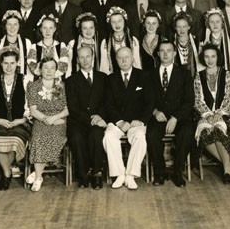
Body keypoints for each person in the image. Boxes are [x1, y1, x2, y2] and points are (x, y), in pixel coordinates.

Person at [103, 47, 154, 190]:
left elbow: (150, 102)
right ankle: (119, 174)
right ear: (116, 60)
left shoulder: (143, 76)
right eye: (120, 58)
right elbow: (108, 104)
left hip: (136, 121)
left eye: (127, 57)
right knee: (108, 136)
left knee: (139, 137)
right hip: (118, 121)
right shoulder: (111, 79)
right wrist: (119, 121)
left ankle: (130, 175)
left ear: (132, 58)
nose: (124, 60)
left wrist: (141, 120)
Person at [147, 41, 194, 187]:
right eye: (162, 51)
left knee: (186, 133)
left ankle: (177, 171)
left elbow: (189, 101)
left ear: (174, 53)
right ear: (158, 54)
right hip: (158, 115)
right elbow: (145, 99)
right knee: (152, 134)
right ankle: (160, 172)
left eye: (169, 51)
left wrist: (175, 118)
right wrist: (154, 112)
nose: (166, 54)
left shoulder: (184, 74)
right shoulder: (149, 74)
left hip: (179, 117)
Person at [0, 47, 32, 191]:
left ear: (17, 63)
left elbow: (31, 104)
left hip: (20, 123)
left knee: (14, 141)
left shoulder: (25, 80)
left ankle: (2, 171)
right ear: (1, 64)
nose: (9, 67)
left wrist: (23, 120)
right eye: (6, 63)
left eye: (12, 63)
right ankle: (7, 172)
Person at [194, 44, 230, 184]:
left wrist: (219, 113)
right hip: (205, 114)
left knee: (218, 132)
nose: (210, 60)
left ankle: (226, 169)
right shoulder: (198, 76)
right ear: (203, 58)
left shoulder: (226, 74)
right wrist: (208, 114)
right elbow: (197, 99)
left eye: (213, 56)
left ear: (217, 57)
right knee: (205, 133)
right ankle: (229, 165)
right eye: (207, 56)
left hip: (224, 114)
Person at [65, 46, 108, 189]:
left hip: (98, 119)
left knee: (96, 134)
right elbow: (73, 107)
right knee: (77, 137)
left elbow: (107, 102)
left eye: (88, 56)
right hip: (78, 121)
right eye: (81, 57)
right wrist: (90, 118)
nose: (85, 60)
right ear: (77, 60)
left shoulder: (103, 78)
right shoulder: (71, 81)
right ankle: (83, 174)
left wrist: (99, 117)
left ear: (93, 57)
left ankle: (97, 173)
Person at [26, 58, 69, 192]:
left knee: (54, 137)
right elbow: (33, 110)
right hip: (40, 120)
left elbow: (67, 109)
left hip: (59, 120)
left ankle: (37, 173)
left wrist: (54, 118)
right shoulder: (33, 86)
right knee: (38, 138)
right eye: (46, 67)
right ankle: (39, 176)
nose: (49, 71)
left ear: (56, 70)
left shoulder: (61, 86)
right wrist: (47, 119)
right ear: (40, 69)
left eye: (52, 68)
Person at [203, 8, 230, 78]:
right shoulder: (204, 41)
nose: (215, 25)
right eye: (212, 22)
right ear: (208, 24)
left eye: (218, 22)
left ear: (222, 23)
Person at [0, 10, 33, 79]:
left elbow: (29, 67)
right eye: (9, 24)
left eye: (15, 24)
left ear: (19, 25)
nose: (12, 27)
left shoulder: (27, 43)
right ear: (5, 26)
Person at [99, 7, 142, 74]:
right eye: (113, 22)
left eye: (119, 21)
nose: (117, 24)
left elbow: (137, 63)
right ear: (110, 23)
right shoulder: (105, 42)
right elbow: (104, 66)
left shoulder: (133, 40)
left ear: (124, 21)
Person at [171, 12, 201, 78]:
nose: (182, 30)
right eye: (179, 27)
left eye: (184, 26)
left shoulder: (197, 43)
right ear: (175, 27)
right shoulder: (172, 44)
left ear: (189, 27)